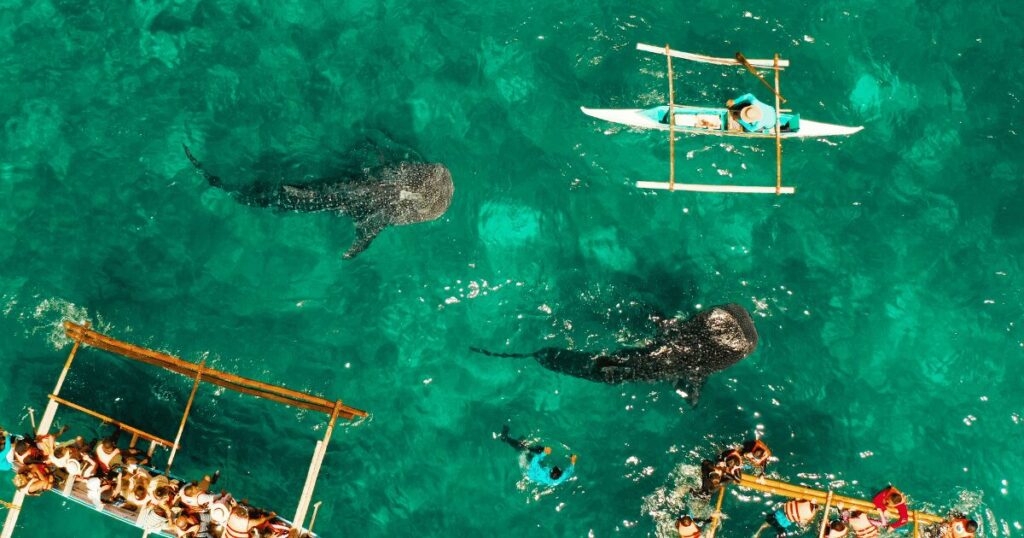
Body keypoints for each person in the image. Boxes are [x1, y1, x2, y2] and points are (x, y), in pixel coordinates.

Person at [498, 425, 576, 487]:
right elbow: (569, 471)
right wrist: (573, 461)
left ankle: (505, 438)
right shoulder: (561, 477)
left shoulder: (541, 473)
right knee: (538, 450)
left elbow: (534, 461)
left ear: (551, 471)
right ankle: (525, 445)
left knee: (523, 449)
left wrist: (544, 453)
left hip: (531, 471)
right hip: (539, 472)